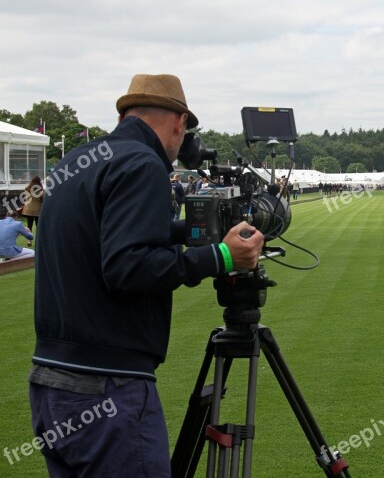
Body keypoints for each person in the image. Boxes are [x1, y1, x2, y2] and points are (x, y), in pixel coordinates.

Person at [29, 74, 264, 477]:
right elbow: (128, 268)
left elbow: (102, 239)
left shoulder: (76, 162)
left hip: (50, 383)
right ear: (178, 121)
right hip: (108, 388)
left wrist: (187, 230)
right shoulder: (142, 163)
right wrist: (222, 256)